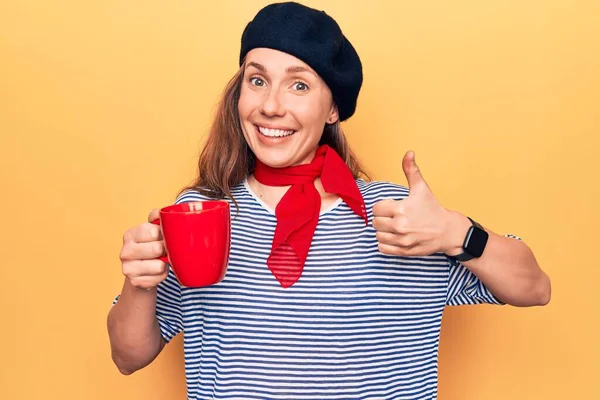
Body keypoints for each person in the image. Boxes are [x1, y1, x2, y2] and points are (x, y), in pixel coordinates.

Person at [107, 2, 551, 399]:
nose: (271, 106)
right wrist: (139, 284)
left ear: (333, 108)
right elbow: (128, 357)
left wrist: (456, 232)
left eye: (299, 86)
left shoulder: (401, 216)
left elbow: (535, 287)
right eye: (257, 80)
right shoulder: (201, 212)